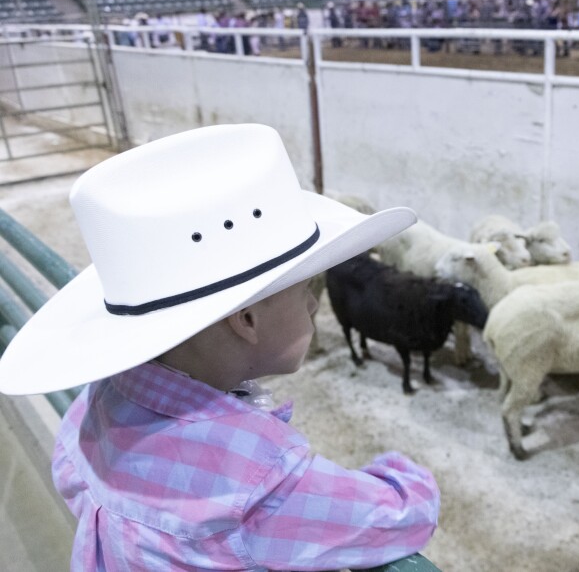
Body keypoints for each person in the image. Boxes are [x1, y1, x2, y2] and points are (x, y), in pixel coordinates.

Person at [0, 124, 440, 571]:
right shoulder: (255, 477)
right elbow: (404, 513)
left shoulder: (106, 398)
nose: (314, 303)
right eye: (306, 286)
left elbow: (68, 472)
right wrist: (405, 472)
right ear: (246, 320)